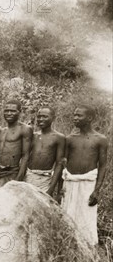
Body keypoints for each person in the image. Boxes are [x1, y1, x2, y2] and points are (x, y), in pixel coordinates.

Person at [62, 105, 108, 246]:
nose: (75, 118)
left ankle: (86, 247)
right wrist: (60, 188)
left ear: (90, 118)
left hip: (88, 183)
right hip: (70, 182)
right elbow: (63, 163)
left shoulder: (100, 139)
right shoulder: (69, 139)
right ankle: (66, 244)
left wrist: (96, 190)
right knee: (67, 214)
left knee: (86, 216)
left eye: (79, 115)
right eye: (74, 115)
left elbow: (103, 165)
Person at [0, 100, 32, 194]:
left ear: (20, 112)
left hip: (11, 174)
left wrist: (18, 180)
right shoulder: (2, 131)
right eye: (6, 110)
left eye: (13, 111)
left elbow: (26, 155)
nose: (9, 113)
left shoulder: (25, 129)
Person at [24, 107, 65, 195]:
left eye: (45, 116)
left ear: (53, 118)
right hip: (28, 175)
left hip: (44, 179)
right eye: (39, 117)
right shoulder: (34, 136)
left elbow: (59, 164)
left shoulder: (59, 138)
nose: (41, 119)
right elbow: (25, 157)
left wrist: (51, 188)